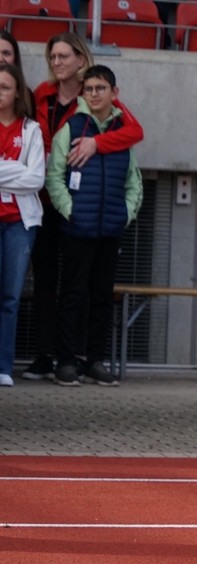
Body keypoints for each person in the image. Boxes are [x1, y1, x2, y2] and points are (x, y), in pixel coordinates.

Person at [23, 32, 143, 382]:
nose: (57, 62)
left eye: (64, 56)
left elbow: (134, 135)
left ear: (81, 58)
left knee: (93, 289)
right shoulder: (41, 95)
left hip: (95, 214)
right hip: (49, 202)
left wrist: (97, 143)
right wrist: (69, 208)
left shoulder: (101, 99)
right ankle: (49, 356)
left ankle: (84, 357)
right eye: (52, 57)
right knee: (49, 282)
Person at [0, 64, 45, 387]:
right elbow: (25, 175)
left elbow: (36, 178)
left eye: (4, 87)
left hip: (20, 223)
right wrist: (17, 168)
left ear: (18, 92)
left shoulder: (31, 130)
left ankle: (3, 367)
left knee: (10, 297)